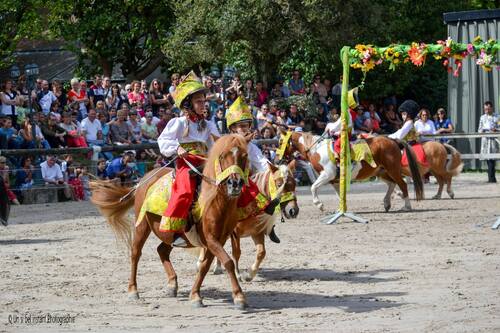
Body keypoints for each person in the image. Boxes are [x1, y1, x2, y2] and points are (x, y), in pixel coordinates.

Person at [157, 71, 221, 247]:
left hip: (205, 161)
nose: (203, 105)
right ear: (189, 104)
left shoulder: (209, 124)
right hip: (186, 163)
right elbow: (163, 140)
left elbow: (217, 143)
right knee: (184, 191)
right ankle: (176, 231)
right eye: (199, 102)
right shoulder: (179, 122)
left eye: (204, 101)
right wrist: (177, 148)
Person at [225, 96, 282, 243]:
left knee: (266, 201)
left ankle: (268, 227)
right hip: (227, 181)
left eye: (247, 126)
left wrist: (274, 170)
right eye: (241, 126)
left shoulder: (251, 146)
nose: (245, 129)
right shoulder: (227, 143)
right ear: (232, 128)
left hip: (246, 181)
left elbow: (262, 162)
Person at [478, 101, 499, 183]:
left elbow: (499, 127)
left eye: (488, 109)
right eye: (485, 109)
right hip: (485, 140)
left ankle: (491, 178)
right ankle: (492, 178)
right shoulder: (482, 117)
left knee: (492, 158)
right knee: (487, 158)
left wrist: (496, 129)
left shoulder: (497, 117)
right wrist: (482, 130)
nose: (486, 110)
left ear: (491, 108)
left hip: (493, 140)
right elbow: (479, 129)